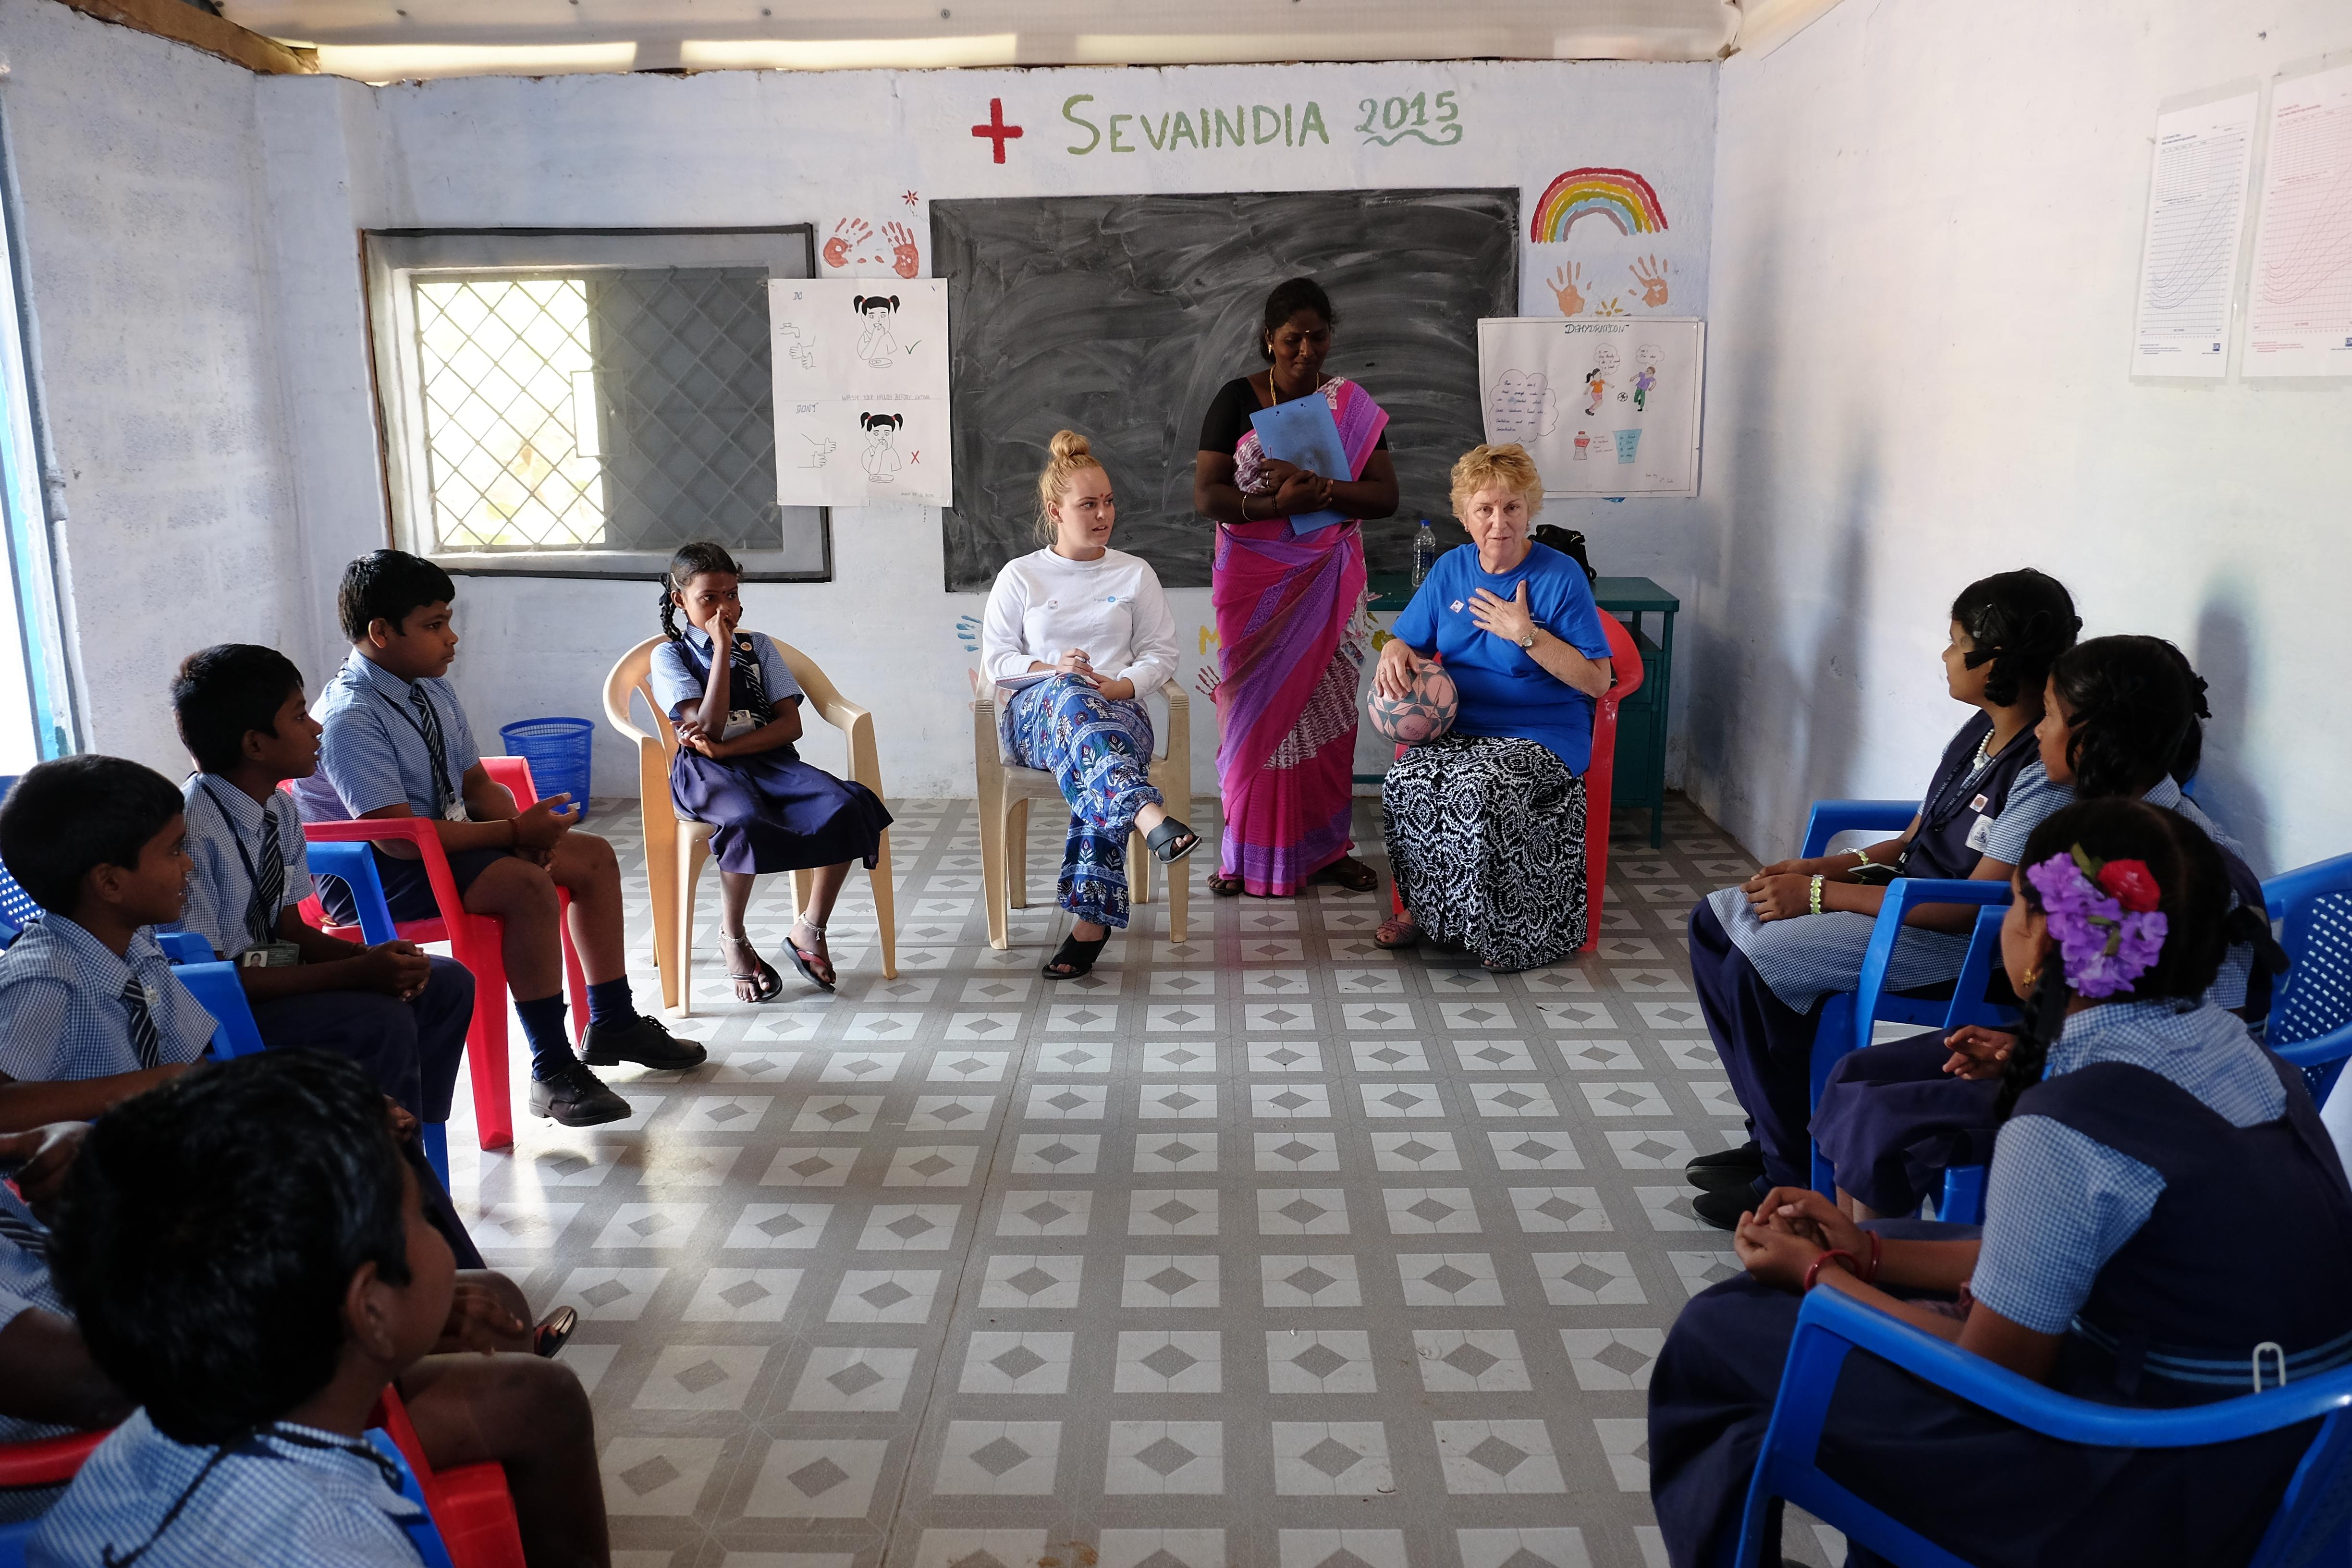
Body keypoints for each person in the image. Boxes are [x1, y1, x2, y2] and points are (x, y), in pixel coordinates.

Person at [1648, 799, 2352, 1568]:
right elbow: (2057, 1249)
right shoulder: (2243, 1056)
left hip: (2161, 1478)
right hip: (2293, 1450)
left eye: (2015, 904)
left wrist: (1819, 1274)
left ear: (2043, 940)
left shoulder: (2067, 1124)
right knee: (1891, 1249)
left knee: (1719, 1337)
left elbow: (1994, 1369)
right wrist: (1867, 1254)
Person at [30, 1052, 610, 1567]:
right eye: (419, 1216)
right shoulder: (340, 1548)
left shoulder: (141, 1450)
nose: (439, 1238)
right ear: (372, 1312)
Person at [1810, 634, 2272, 1219]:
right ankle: (1859, 1251)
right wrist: (2031, 1045)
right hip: (2076, 1049)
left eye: (2049, 715)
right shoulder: (2099, 828)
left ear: (2090, 739)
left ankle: (1877, 1263)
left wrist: (2047, 1061)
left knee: (1887, 1117)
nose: (2036, 734)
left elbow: (2208, 1042)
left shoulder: (2187, 865)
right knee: (1859, 1076)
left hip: (2143, 1097)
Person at [0, 757, 508, 1278]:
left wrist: (329, 1099)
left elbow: (199, 1071)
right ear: (109, 883)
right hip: (123, 1190)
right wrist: (151, 1086)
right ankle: (415, 1299)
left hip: (176, 1144)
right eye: (173, 851)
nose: (188, 865)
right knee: (334, 1167)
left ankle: (447, 1290)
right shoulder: (44, 978)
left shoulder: (138, 948)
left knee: (369, 1131)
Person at [1682, 570, 2081, 1226]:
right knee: (1713, 925)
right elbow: (1914, 837)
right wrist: (1824, 866)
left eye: (1957, 643)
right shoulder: (1980, 733)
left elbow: (1970, 904)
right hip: (1898, 904)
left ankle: (1790, 1172)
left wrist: (1819, 895)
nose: (1946, 656)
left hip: (1946, 939)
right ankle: (1769, 1132)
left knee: (1760, 967)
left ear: (1995, 661)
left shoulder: (2040, 769)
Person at [291, 551, 702, 1129]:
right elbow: (398, 841)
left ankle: (613, 1020)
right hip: (368, 874)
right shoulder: (351, 715)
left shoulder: (428, 689)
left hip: (436, 843)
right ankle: (551, 1069)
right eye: (434, 625)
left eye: (448, 620)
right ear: (381, 632)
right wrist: (512, 837)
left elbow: (477, 784)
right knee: (525, 887)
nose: (452, 637)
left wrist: (525, 832)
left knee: (591, 857)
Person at [169, 643, 475, 1126]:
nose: (316, 728)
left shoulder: (279, 806)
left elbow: (292, 932)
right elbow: (214, 981)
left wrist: (370, 957)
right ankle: (381, 1153)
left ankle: (415, 1133)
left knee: (447, 982)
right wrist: (357, 972)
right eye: (298, 716)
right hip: (221, 1013)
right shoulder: (190, 834)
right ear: (255, 745)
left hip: (270, 979)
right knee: (380, 1021)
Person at [1191, 276, 1398, 898]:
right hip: (1255, 587)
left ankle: (1328, 850)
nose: (1306, 351)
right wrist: (1275, 505)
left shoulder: (1349, 403)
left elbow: (1385, 496)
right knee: (1255, 720)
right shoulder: (1237, 399)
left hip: (1328, 580)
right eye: (1292, 339)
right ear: (1268, 339)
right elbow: (1208, 495)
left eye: (1318, 337)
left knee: (1330, 716)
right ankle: (1244, 855)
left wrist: (1324, 489)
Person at [1372, 443, 1614, 971]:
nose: (1499, 523)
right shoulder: (1450, 569)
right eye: (1484, 509)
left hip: (1544, 731)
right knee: (1406, 780)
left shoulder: (1561, 576)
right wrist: (1394, 649)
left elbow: (1598, 682)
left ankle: (1503, 933)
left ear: (1530, 511)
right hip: (1462, 727)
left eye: (1512, 508)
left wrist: (1526, 634)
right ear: (1464, 516)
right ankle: (1425, 912)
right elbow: (1409, 641)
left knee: (1481, 787)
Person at [982, 431, 1199, 980]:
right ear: (1056, 510)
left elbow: (1161, 654)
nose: (1104, 515)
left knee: (1097, 754)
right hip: (1038, 717)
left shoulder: (1134, 573)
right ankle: (1146, 816)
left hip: (1118, 710)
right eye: (1088, 505)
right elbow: (997, 662)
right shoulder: (1020, 575)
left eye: (1108, 502)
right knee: (1072, 697)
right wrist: (1054, 670)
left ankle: (1090, 923)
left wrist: (1121, 687)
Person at [653, 541, 894, 997]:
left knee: (846, 805)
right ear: (680, 600)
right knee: (743, 820)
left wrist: (726, 747)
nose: (724, 608)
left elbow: (790, 726)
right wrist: (721, 651)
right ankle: (733, 937)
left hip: (768, 760)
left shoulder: (759, 646)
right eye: (709, 598)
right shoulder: (669, 657)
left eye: (731, 595)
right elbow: (708, 727)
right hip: (705, 773)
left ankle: (810, 928)